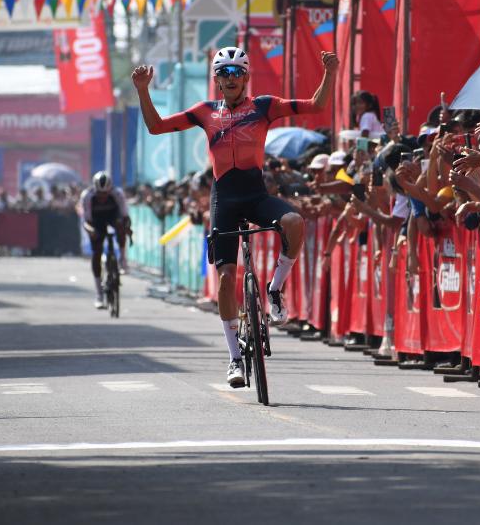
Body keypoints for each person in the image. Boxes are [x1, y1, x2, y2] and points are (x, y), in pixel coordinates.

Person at [133, 46, 339, 387]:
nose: (230, 78)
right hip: (224, 200)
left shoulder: (264, 106)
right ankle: (234, 359)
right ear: (216, 79)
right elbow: (156, 127)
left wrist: (330, 73)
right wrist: (143, 90)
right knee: (226, 279)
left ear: (246, 77)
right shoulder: (204, 111)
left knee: (294, 222)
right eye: (223, 73)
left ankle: (275, 288)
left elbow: (316, 105)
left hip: (256, 195)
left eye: (236, 72)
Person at [78, 171, 131, 309]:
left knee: (121, 227)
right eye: (99, 194)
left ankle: (123, 259)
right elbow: (86, 222)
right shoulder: (87, 196)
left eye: (105, 194)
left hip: (113, 217)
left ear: (110, 189)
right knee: (97, 252)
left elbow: (125, 216)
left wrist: (126, 229)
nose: (102, 197)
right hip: (95, 221)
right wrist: (92, 231)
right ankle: (99, 294)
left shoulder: (117, 194)